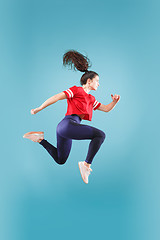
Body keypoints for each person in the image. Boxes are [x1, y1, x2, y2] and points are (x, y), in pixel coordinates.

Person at [23, 50, 120, 184]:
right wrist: (39, 108)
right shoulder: (76, 90)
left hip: (65, 130)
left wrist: (114, 102)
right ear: (89, 81)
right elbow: (56, 97)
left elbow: (106, 109)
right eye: (97, 81)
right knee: (100, 135)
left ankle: (40, 139)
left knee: (60, 159)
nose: (99, 84)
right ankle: (86, 165)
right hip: (68, 124)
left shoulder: (91, 99)